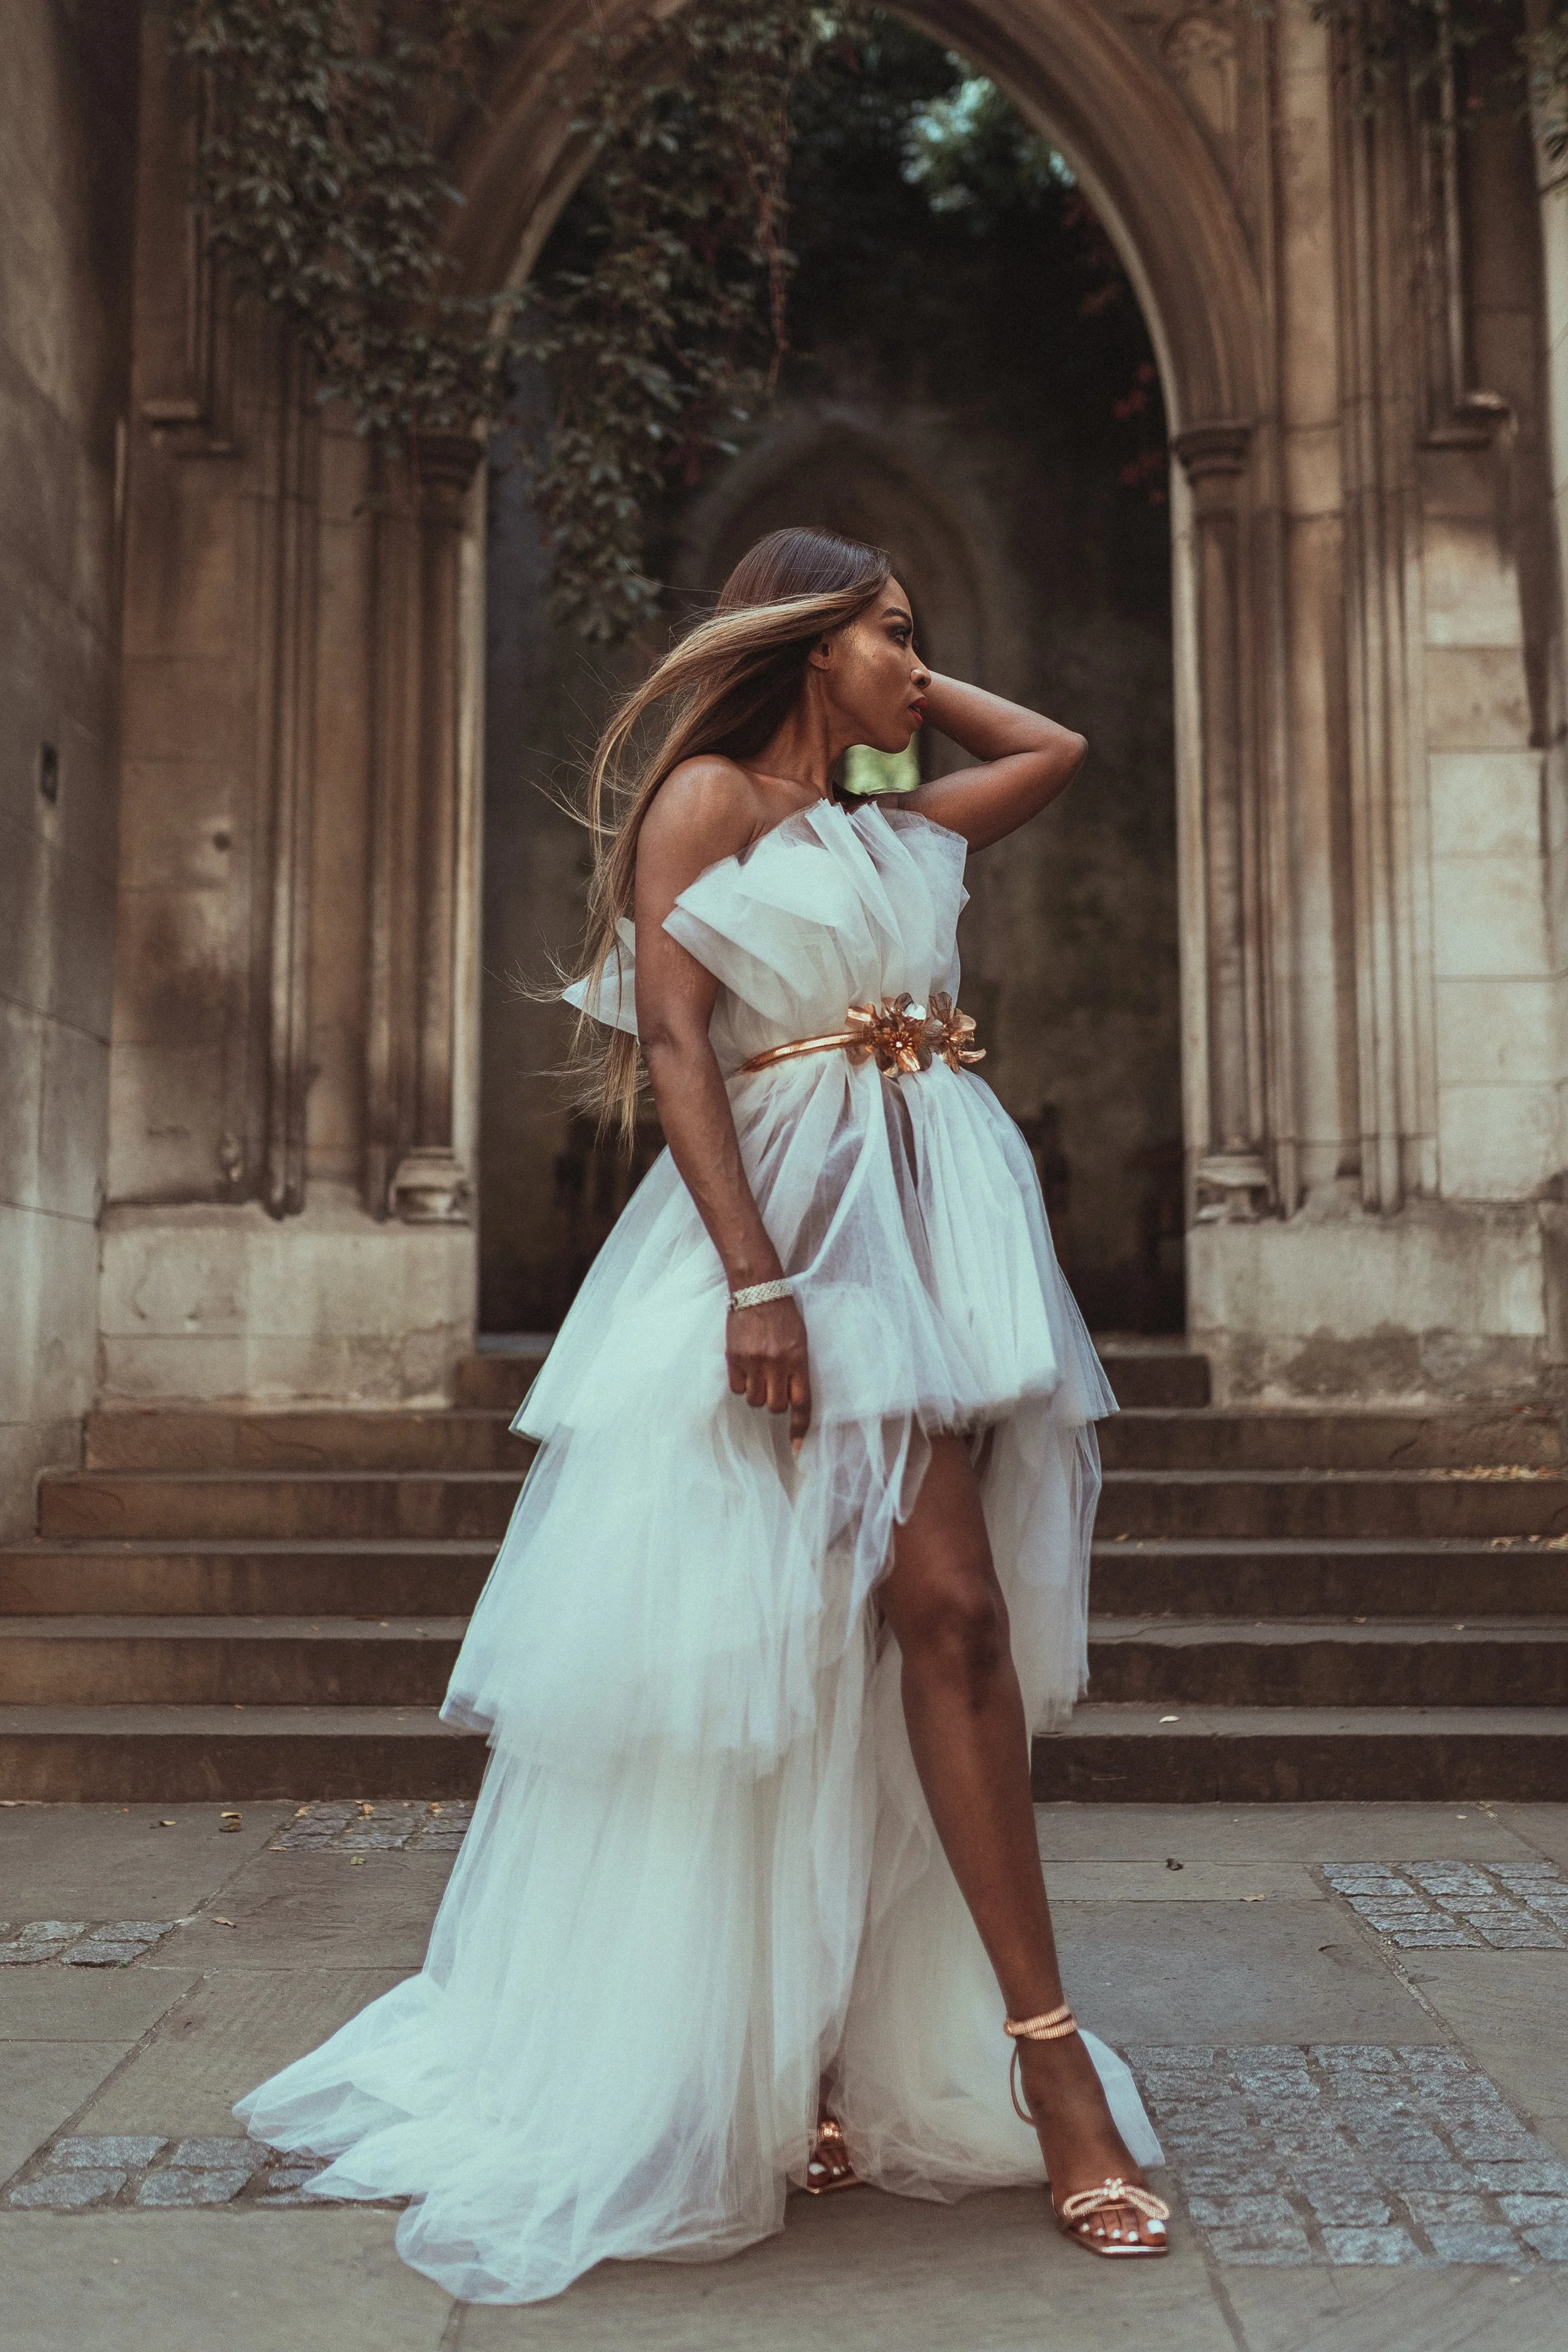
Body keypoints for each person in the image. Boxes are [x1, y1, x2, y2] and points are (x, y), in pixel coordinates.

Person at [235, 525, 1169, 2301]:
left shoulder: (890, 819)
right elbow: (673, 1039)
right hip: (790, 1232)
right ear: (812, 640)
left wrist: (895, 689)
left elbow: (1049, 751)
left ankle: (979, 2053)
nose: (916, 663)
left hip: (933, 1219)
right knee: (855, 1624)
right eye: (893, 634)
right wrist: (756, 1279)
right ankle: (942, 2065)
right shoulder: (709, 804)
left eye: (918, 637)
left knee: (926, 1614)